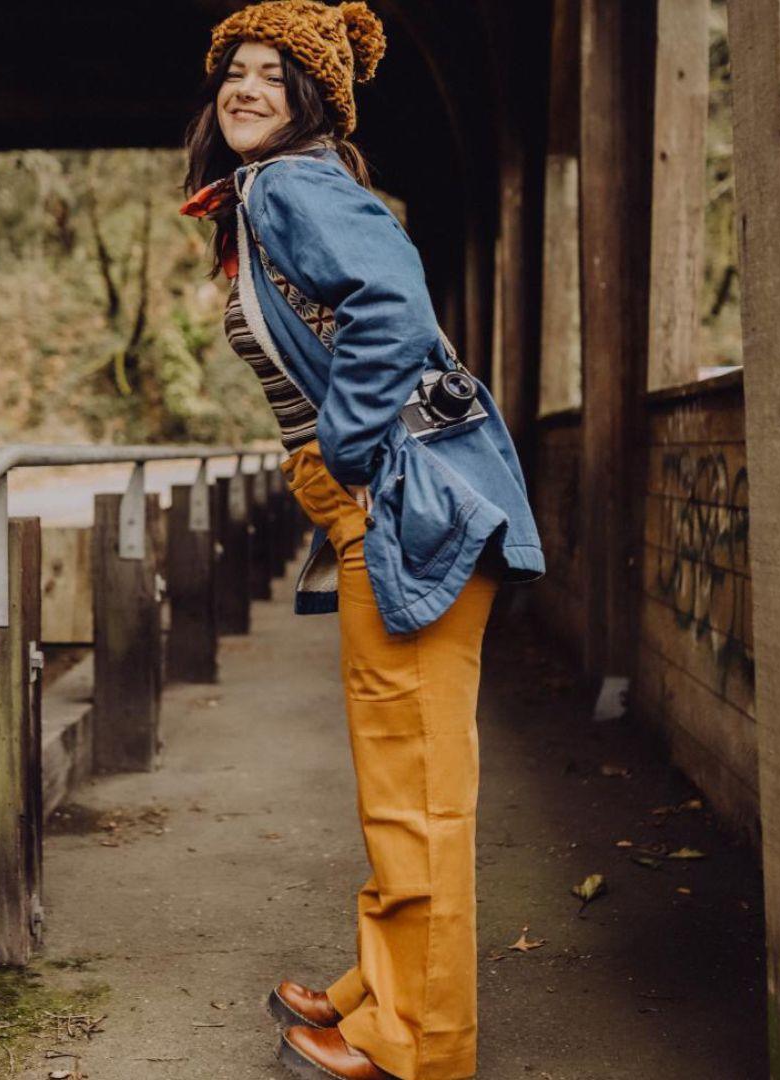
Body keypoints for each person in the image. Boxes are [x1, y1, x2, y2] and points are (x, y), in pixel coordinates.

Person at [180, 3, 544, 1077]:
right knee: (401, 770)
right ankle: (383, 988)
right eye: (234, 72)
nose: (246, 89)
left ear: (312, 102)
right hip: (384, 495)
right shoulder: (270, 190)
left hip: (398, 496)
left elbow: (390, 303)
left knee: (415, 784)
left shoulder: (292, 183)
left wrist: (343, 450)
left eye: (273, 75)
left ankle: (416, 1042)